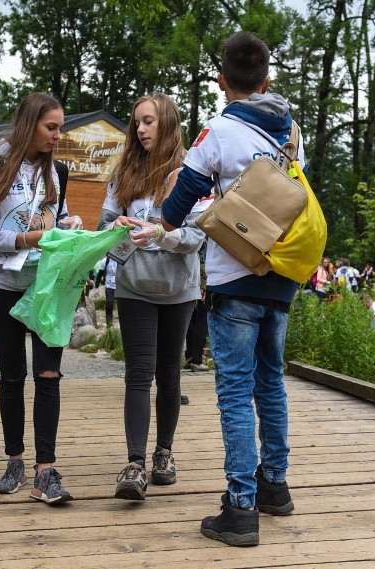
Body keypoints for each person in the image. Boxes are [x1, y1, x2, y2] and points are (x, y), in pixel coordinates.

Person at [161, 31, 304, 547]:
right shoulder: (291, 131)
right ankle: (275, 486)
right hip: (282, 277)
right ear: (267, 80)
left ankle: (240, 509)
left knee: (235, 394)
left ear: (222, 81)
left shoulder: (219, 131)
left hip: (235, 280)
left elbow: (175, 208)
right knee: (271, 384)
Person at [0, 92, 83, 505]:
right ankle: (14, 460)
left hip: (45, 287)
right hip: (3, 285)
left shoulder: (59, 172)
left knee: (48, 376)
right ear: (29, 124)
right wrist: (25, 238)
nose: (58, 135)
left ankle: (45, 471)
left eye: (60, 127)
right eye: (51, 127)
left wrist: (67, 226)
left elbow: (56, 219)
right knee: (13, 376)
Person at [97, 93, 205, 502]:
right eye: (136, 123)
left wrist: (161, 233)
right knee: (138, 375)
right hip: (135, 287)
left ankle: (165, 454)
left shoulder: (191, 172)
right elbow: (104, 227)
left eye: (148, 122)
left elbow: (197, 236)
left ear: (168, 124)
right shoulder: (122, 173)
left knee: (170, 376)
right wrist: (118, 226)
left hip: (179, 290)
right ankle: (134, 464)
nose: (140, 129)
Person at [185, 244, 210, 373]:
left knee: (190, 319)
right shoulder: (204, 237)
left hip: (189, 280)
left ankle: (190, 356)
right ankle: (196, 360)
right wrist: (204, 285)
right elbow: (204, 260)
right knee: (201, 319)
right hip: (200, 281)